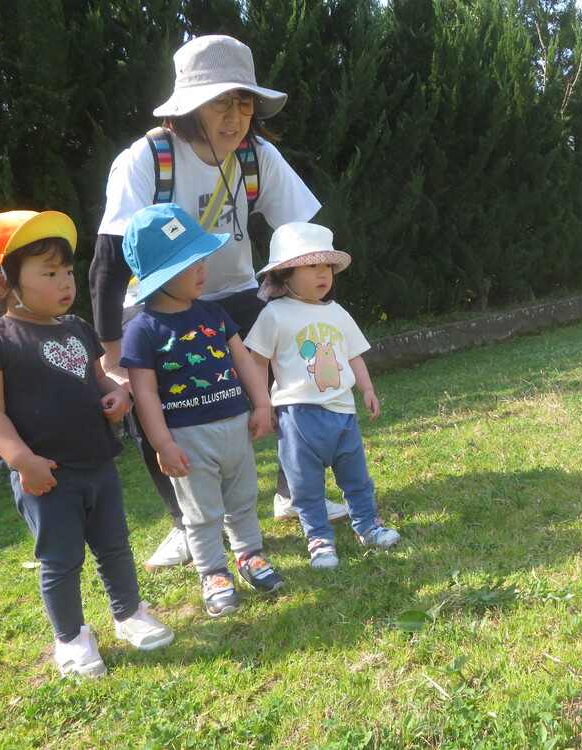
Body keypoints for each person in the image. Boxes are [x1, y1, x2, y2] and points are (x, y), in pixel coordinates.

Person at [90, 34, 349, 574]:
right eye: (220, 102)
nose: (235, 116)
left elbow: (300, 235)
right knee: (152, 400)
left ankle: (294, 492)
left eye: (244, 101)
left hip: (235, 294)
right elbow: (109, 262)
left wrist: (303, 304)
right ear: (188, 107)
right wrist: (112, 356)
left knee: (305, 364)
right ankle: (186, 524)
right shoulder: (147, 159)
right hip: (156, 303)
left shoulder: (258, 156)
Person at [0, 210, 174, 679]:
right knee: (59, 560)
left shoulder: (76, 329)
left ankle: (129, 614)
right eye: (49, 273)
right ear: (2, 282)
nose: (66, 283)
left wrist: (116, 394)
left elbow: (100, 377)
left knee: (115, 545)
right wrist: (23, 461)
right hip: (46, 475)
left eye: (69, 271)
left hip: (99, 462)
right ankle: (72, 638)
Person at [119, 204, 285, 615]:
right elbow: (144, 394)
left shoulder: (214, 312)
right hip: (188, 438)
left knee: (243, 497)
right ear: (158, 275)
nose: (201, 269)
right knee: (201, 510)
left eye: (202, 258)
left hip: (234, 426)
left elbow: (244, 360)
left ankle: (250, 555)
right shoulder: (143, 329)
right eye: (187, 262)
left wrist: (262, 403)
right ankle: (213, 570)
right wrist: (161, 442)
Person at [244, 223, 402, 568]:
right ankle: (319, 539)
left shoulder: (337, 312)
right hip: (298, 416)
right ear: (285, 274)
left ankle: (367, 525)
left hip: (342, 412)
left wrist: (367, 388)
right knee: (305, 486)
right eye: (311, 266)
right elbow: (257, 360)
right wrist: (261, 404)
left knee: (357, 477)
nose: (322, 274)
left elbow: (354, 354)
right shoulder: (273, 314)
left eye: (327, 267)